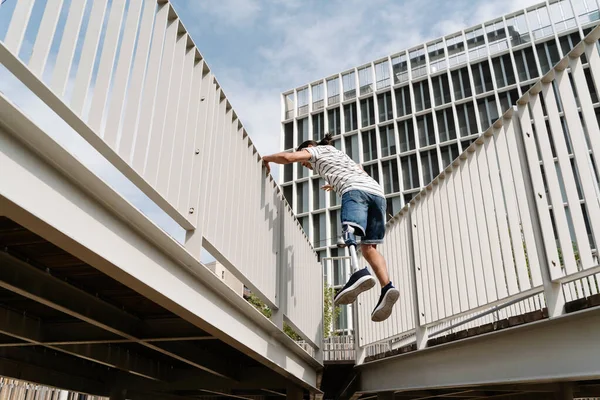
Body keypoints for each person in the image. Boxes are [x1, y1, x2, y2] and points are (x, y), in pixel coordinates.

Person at [263, 133, 399, 322]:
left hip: (354, 190)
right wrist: (334, 184)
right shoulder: (338, 153)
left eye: (305, 162)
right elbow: (358, 169)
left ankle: (357, 272)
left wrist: (266, 158)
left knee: (349, 229)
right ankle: (387, 287)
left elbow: (288, 158)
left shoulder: (314, 150)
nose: (306, 165)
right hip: (377, 195)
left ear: (308, 147)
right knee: (369, 248)